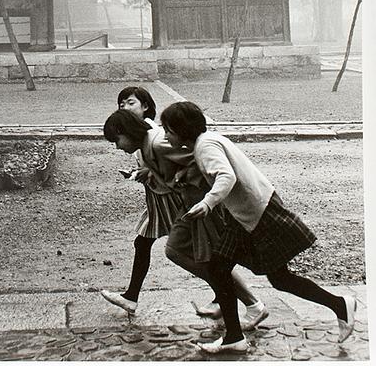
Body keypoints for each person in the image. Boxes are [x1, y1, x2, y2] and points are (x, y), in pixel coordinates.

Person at [160, 100, 357, 354]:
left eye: (168, 130)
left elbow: (226, 175)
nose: (165, 135)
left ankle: (339, 306)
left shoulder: (205, 147)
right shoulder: (208, 141)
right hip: (248, 212)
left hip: (258, 212)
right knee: (251, 274)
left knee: (241, 272)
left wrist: (208, 203)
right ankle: (337, 306)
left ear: (181, 131)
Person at [100, 103, 268, 330]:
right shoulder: (148, 145)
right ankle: (227, 297)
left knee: (209, 260)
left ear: (125, 132)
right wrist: (149, 172)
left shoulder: (159, 142)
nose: (117, 147)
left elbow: (198, 153)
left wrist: (189, 179)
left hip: (202, 205)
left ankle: (250, 306)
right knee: (179, 251)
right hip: (188, 206)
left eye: (116, 141)